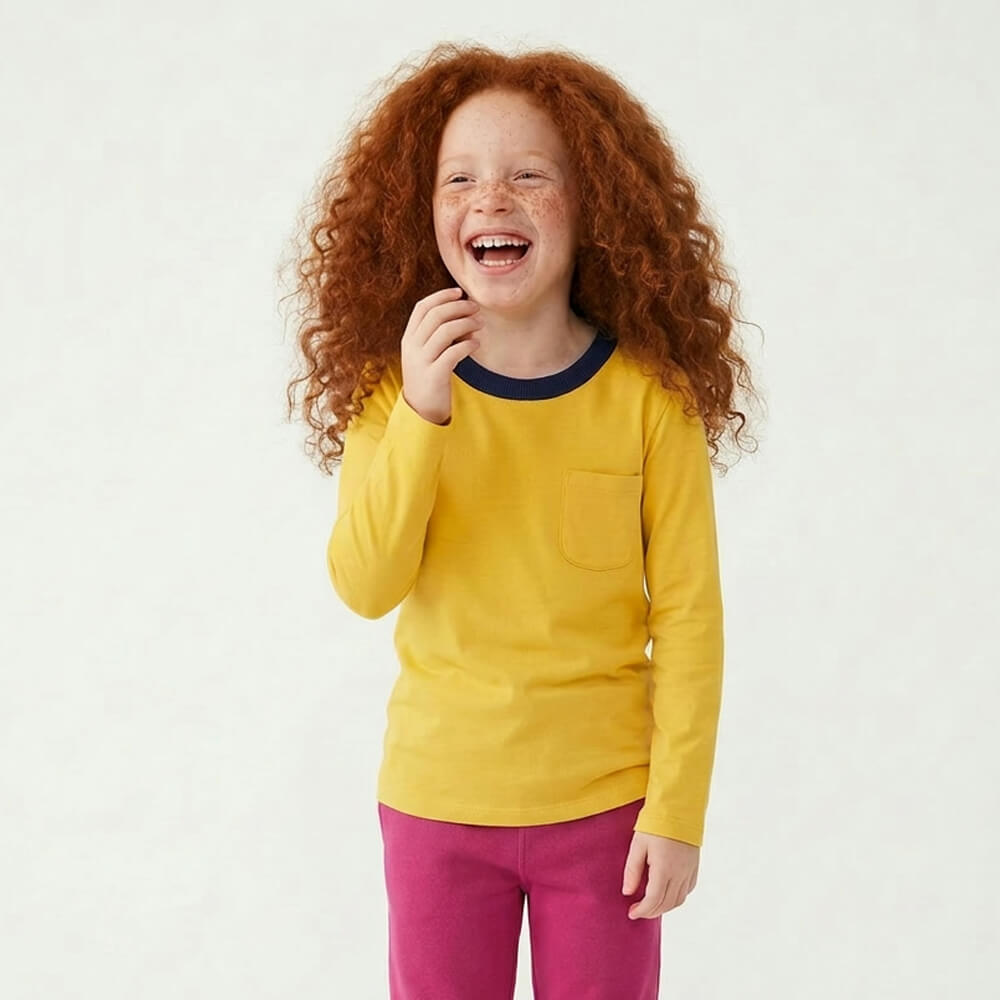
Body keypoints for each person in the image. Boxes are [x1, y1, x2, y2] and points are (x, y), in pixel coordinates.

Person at [282, 40, 761, 1000]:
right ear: (425, 214)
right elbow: (365, 585)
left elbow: (692, 622)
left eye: (527, 177)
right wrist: (424, 413)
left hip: (607, 814)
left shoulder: (649, 402)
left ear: (591, 208)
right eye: (459, 179)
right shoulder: (393, 397)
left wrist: (676, 813)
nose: (489, 200)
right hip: (436, 805)